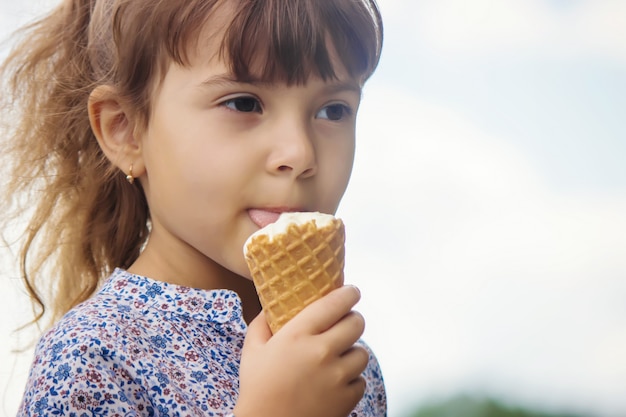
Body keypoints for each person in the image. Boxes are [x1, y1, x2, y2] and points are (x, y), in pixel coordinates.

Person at [0, 0, 386, 416]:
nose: (299, 152)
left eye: (334, 110)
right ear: (125, 130)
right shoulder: (94, 357)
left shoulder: (345, 362)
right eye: (243, 103)